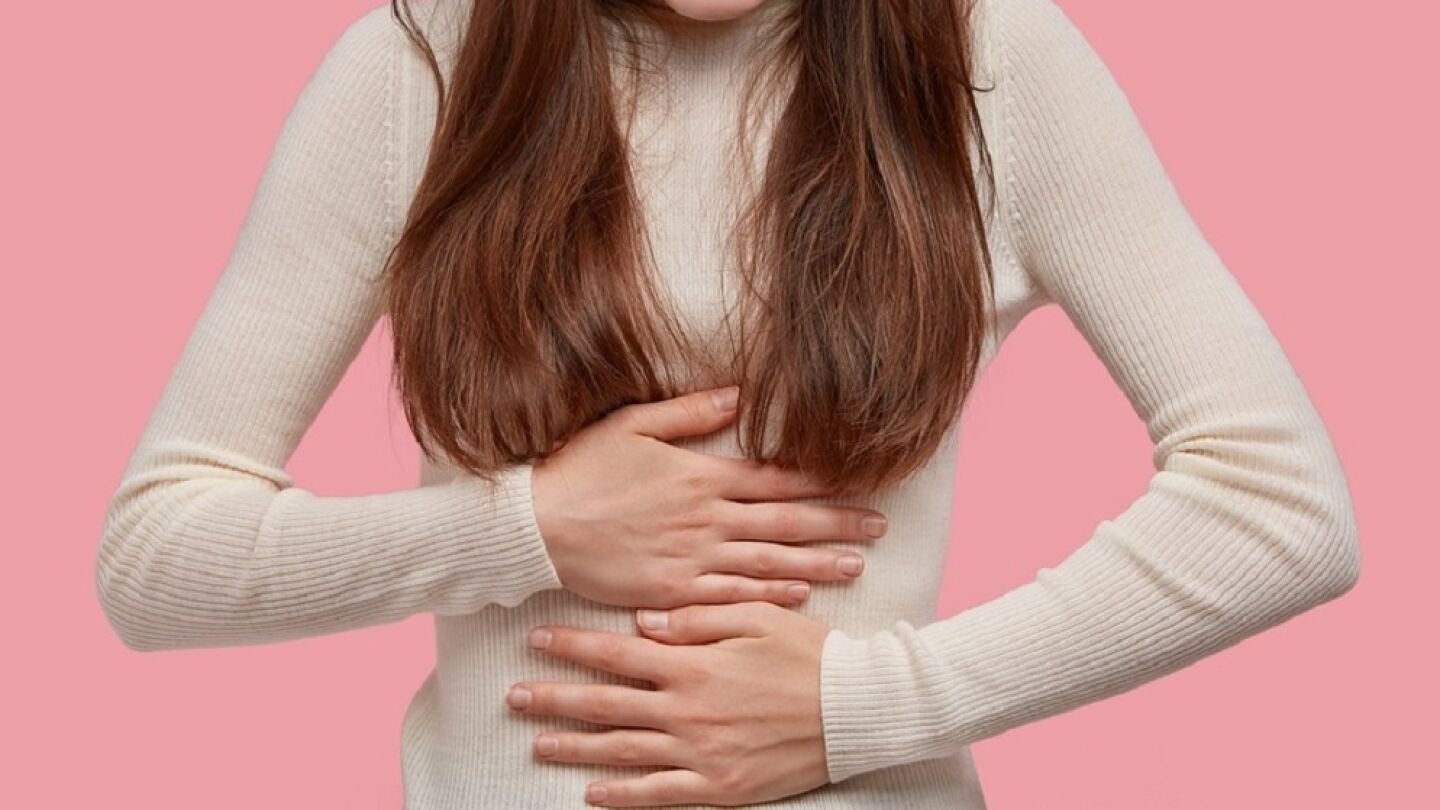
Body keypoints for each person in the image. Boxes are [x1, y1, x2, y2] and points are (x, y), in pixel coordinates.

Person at [94, 0, 1362, 807]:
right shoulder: (425, 62)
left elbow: (1278, 508)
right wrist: (528, 528)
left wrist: (859, 709)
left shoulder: (989, 59)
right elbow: (156, 559)